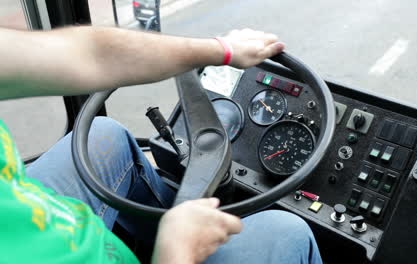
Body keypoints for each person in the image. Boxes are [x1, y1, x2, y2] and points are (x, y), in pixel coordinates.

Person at [0, 26, 322, 264]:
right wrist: (175, 250)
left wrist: (220, 50)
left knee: (103, 133)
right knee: (284, 230)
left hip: (17, 215)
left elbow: (84, 54)